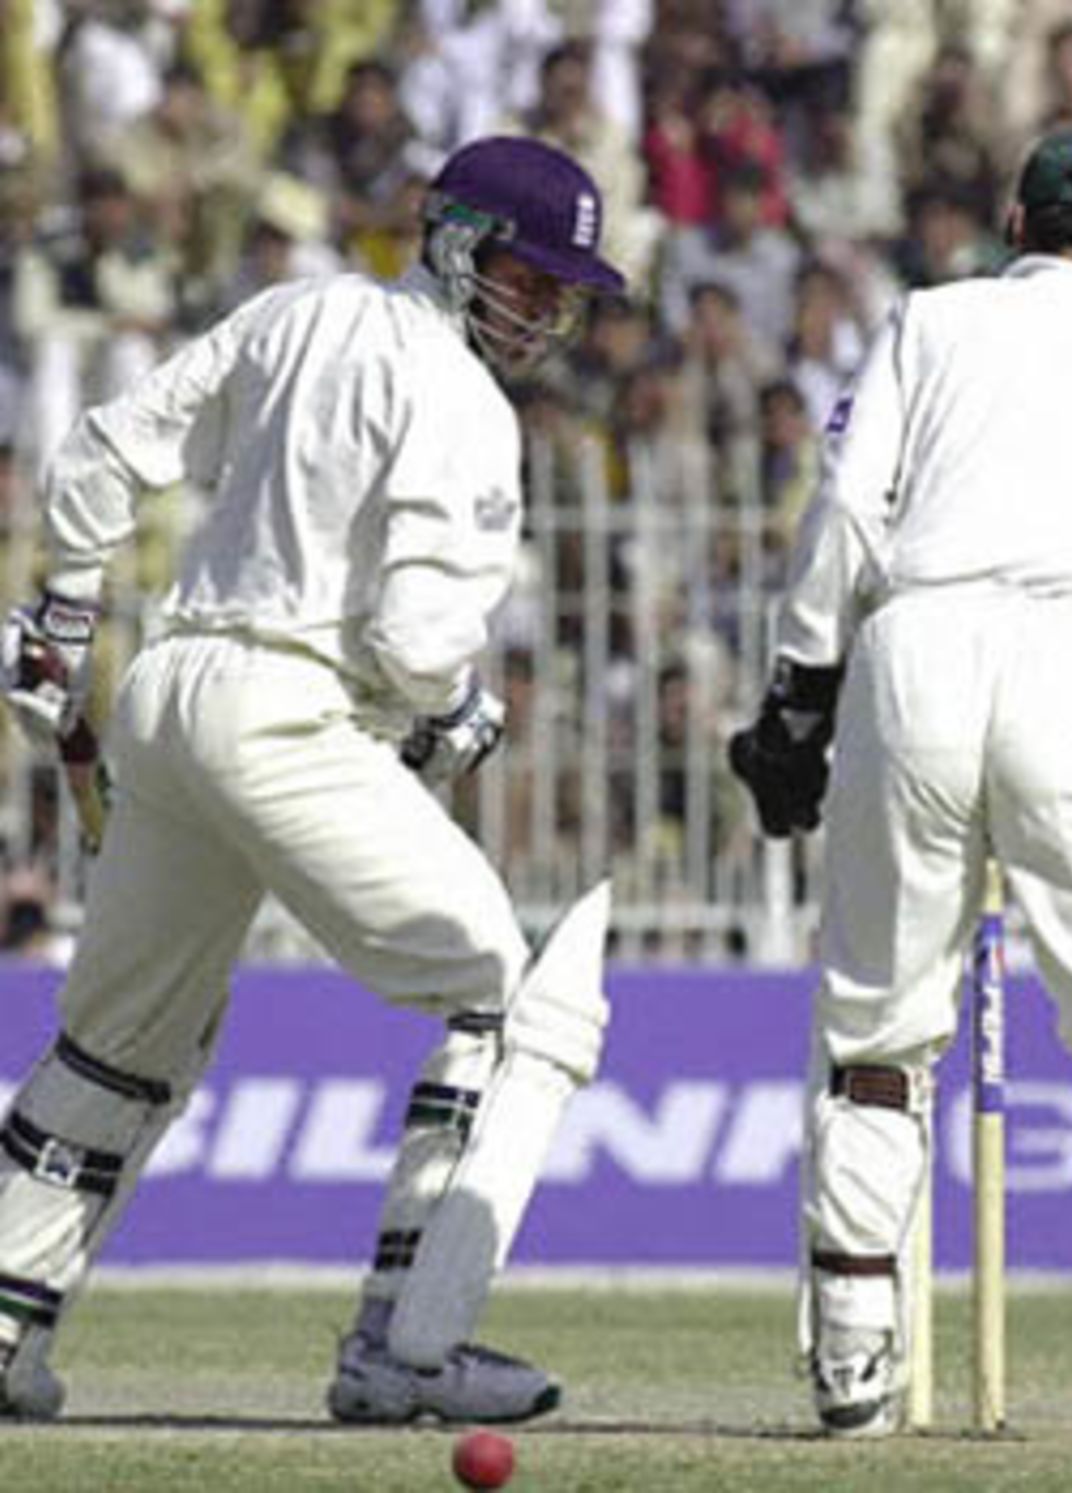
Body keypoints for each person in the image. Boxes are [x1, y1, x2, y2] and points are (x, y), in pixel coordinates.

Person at [0, 134, 625, 1425]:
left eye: (561, 291)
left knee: (118, 1042)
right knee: (506, 998)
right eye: (528, 276)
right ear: (455, 244)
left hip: (172, 692)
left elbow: (106, 451)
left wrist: (62, 605)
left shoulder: (300, 309)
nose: (545, 310)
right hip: (286, 715)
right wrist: (451, 712)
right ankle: (409, 1341)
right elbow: (417, 642)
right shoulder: (465, 403)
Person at [729, 128, 1072, 1441]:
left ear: (1016, 221)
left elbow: (847, 511)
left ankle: (852, 1362)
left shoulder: (931, 322)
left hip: (914, 649)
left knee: (877, 1024)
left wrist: (800, 692)